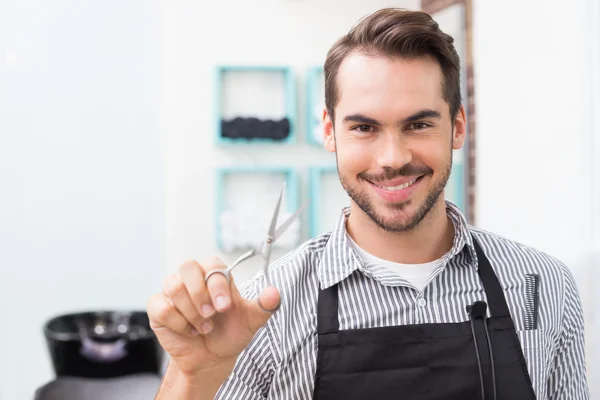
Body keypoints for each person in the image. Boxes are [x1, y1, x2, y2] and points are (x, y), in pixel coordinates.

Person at [147, 8, 590, 400]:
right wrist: (192, 376)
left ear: (457, 127)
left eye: (418, 124)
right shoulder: (260, 314)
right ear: (330, 130)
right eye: (364, 128)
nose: (393, 158)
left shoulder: (544, 285)